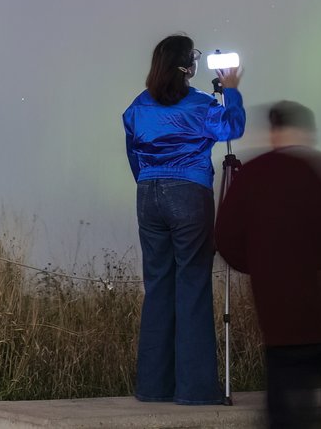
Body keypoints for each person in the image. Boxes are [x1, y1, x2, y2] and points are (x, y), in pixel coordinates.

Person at [215, 100, 321, 429]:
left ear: (274, 131)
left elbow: (224, 238)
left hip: (275, 320)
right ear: (304, 132)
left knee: (282, 408)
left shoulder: (251, 175)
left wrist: (259, 266)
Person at [123, 33, 246, 405]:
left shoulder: (137, 108)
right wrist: (232, 89)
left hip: (148, 195)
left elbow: (133, 154)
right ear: (189, 67)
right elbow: (233, 127)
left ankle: (153, 387)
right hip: (189, 194)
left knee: (158, 287)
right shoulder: (201, 105)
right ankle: (194, 390)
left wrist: (150, 183)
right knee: (192, 286)